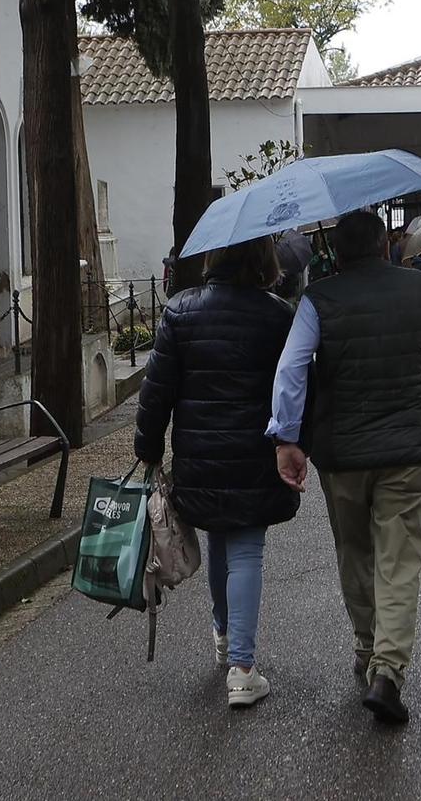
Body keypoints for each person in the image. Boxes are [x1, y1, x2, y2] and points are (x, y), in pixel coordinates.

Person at [268, 211, 421, 725]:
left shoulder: (319, 298)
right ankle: (389, 671)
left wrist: (287, 439)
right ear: (385, 245)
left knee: (355, 553)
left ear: (335, 252)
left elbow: (292, 367)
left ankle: (367, 648)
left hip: (341, 453)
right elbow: (418, 353)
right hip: (408, 448)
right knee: (399, 562)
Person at [134, 235, 298, 709]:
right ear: (264, 261)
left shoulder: (182, 312)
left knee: (220, 542)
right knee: (246, 549)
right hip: (255, 453)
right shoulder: (277, 316)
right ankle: (242, 670)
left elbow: (157, 388)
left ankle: (225, 637)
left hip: (200, 457)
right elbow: (294, 385)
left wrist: (147, 445)